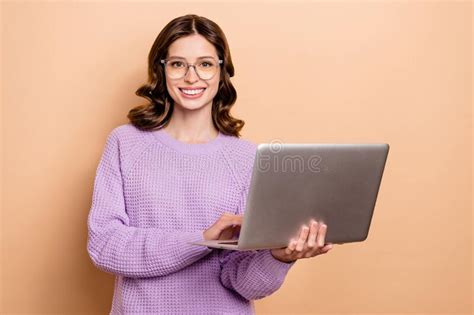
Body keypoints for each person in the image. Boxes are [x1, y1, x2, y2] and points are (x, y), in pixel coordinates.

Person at [86, 14, 333, 314]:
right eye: (178, 64)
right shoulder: (125, 143)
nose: (192, 77)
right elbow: (105, 246)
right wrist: (201, 240)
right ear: (161, 70)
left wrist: (278, 257)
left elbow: (241, 281)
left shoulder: (246, 158)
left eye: (205, 64)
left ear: (221, 71)